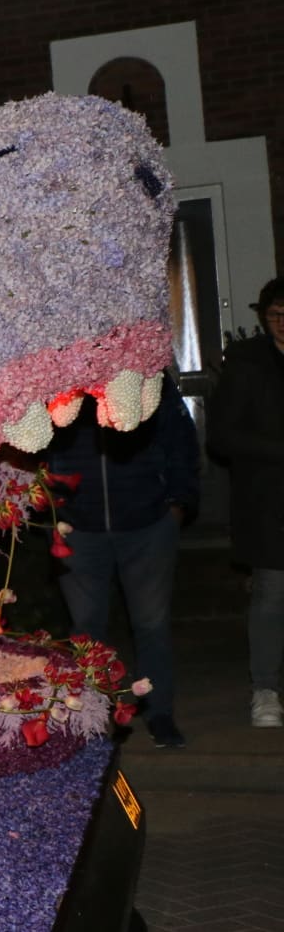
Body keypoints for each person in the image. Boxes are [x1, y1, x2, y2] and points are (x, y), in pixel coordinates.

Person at [47, 368, 200, 747]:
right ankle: (90, 718)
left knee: (151, 623)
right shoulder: (57, 373)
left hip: (147, 521)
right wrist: (49, 505)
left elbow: (180, 438)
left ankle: (159, 713)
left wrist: (178, 501)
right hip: (77, 524)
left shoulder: (144, 371)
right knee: (86, 627)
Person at [208, 277, 284, 728]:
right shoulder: (247, 362)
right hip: (269, 500)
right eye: (276, 315)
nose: (283, 323)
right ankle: (266, 689)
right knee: (272, 594)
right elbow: (222, 436)